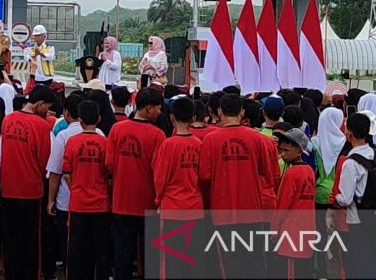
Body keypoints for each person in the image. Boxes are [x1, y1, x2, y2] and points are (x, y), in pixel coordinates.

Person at [199, 95, 270, 279]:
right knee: (255, 262)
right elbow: (264, 169)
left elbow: (204, 176)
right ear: (242, 112)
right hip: (252, 209)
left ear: (220, 112)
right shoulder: (257, 138)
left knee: (229, 263)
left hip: (222, 210)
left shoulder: (210, 139)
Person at [0, 85, 55, 280]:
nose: (48, 111)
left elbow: (0, 156)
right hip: (31, 191)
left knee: (10, 240)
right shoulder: (42, 126)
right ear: (39, 104)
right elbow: (44, 161)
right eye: (48, 107)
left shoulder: (8, 120)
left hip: (8, 189)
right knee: (31, 242)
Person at [105, 88, 166, 280]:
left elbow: (109, 164)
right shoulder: (157, 135)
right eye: (158, 108)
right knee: (150, 254)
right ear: (148, 108)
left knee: (123, 253)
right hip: (148, 202)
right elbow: (159, 171)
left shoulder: (116, 129)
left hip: (122, 201)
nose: (159, 112)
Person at [46, 95, 104, 268]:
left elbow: (56, 171)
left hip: (69, 202)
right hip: (98, 202)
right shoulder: (102, 136)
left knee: (72, 250)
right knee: (94, 249)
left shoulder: (64, 137)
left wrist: (50, 199)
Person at [152, 97, 203, 280]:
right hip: (195, 208)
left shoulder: (168, 145)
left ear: (172, 117)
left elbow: (160, 178)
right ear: (193, 117)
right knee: (191, 259)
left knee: (171, 261)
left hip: (172, 208)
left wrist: (158, 200)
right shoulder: (199, 144)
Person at [328, 112, 376, 280]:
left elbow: (346, 198)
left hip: (356, 218)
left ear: (348, 132)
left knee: (359, 263)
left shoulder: (350, 162)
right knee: (370, 260)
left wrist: (335, 199)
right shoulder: (375, 154)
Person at [62, 100, 111, 280]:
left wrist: (76, 187)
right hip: (101, 203)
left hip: (78, 203)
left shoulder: (72, 142)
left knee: (76, 251)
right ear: (99, 119)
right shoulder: (105, 143)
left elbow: (66, 172)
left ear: (80, 120)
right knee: (101, 251)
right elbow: (110, 173)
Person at [271, 128, 316, 279]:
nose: (282, 154)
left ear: (298, 151)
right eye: (281, 150)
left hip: (291, 231)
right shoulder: (309, 170)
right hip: (306, 230)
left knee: (291, 272)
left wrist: (274, 230)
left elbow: (282, 205)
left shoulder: (291, 173)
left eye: (286, 150)